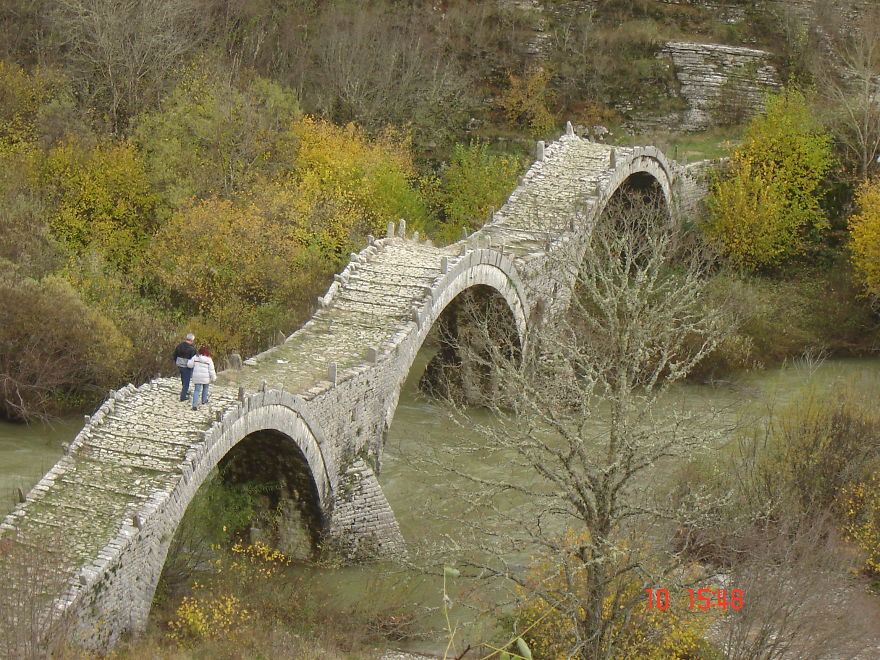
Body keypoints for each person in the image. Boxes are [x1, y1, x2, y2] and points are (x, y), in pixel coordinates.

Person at [187, 345, 217, 411]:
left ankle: (194, 404)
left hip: (197, 377)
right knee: (205, 388)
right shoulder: (209, 359)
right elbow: (211, 370)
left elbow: (189, 365)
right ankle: (204, 400)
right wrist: (213, 378)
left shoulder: (195, 357)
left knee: (196, 390)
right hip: (205, 378)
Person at [173, 333, 197, 402]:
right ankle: (183, 396)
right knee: (187, 381)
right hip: (187, 366)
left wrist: (176, 362)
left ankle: (185, 391)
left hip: (179, 365)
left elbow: (174, 355)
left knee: (183, 378)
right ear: (192, 340)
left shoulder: (179, 346)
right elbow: (193, 359)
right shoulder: (192, 349)